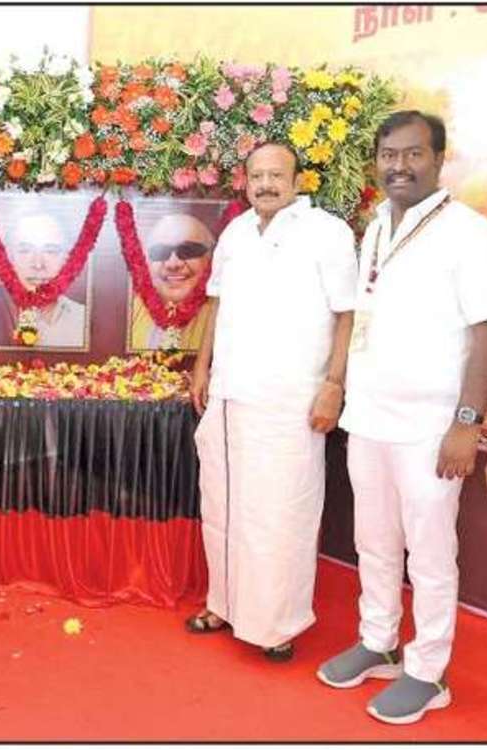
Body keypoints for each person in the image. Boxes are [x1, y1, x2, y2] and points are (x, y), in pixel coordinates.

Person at [317, 111, 487, 725]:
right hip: (369, 416)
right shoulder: (377, 225)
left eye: (413, 154)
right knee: (373, 540)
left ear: (439, 159)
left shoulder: (469, 232)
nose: (399, 166)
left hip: (431, 426)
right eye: (388, 155)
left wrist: (467, 422)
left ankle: (428, 670)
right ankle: (378, 641)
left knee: (428, 552)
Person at [186, 142, 357, 662]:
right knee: (223, 505)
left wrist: (335, 384)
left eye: (276, 175)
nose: (266, 184)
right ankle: (223, 603)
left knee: (280, 515)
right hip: (229, 393)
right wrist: (202, 366)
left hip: (290, 402)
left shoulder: (327, 232)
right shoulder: (236, 233)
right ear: (245, 182)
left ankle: (276, 624)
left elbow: (348, 313)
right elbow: (217, 305)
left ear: (297, 181)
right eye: (257, 176)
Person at [0, 212, 87, 348]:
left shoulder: (83, 317)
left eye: (50, 251)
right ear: (9, 257)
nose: (38, 265)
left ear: (67, 258)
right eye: (25, 251)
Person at [127, 213, 216, 351]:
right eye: (160, 252)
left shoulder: (226, 314)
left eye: (188, 251)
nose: (173, 264)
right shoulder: (126, 315)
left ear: (210, 258)